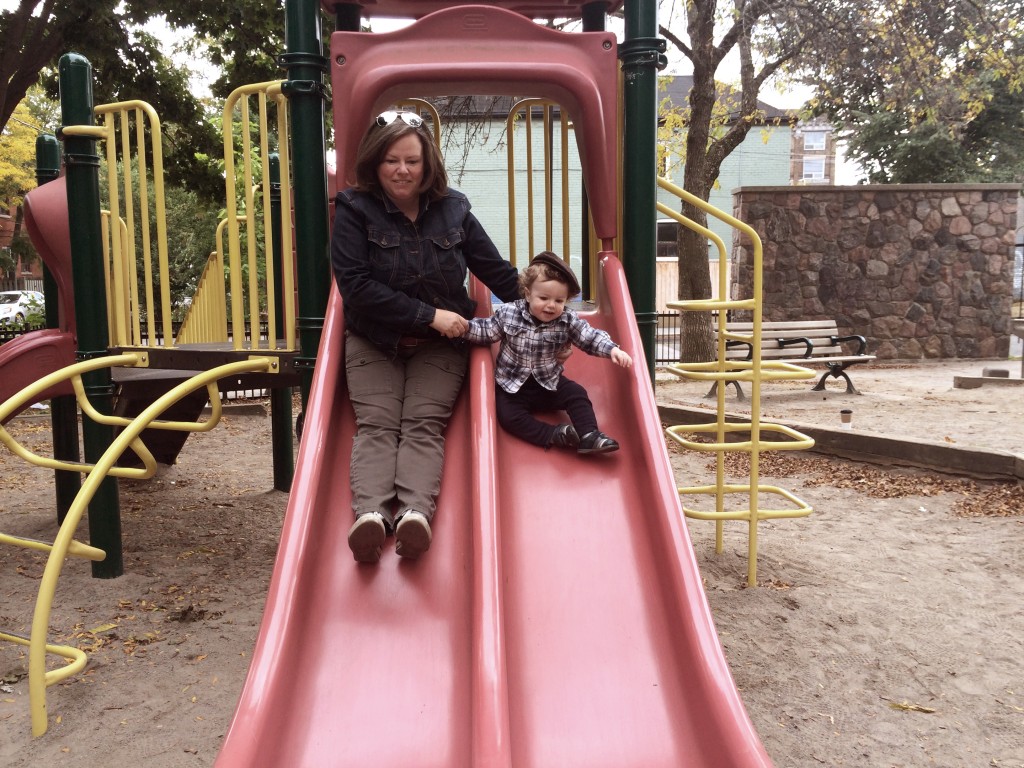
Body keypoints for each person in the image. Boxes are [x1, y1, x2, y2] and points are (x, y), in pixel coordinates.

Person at [332, 110, 522, 564]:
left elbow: (495, 270)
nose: (402, 170)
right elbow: (356, 286)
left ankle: (415, 513)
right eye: (392, 160)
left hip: (440, 346)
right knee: (377, 424)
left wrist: (544, 307)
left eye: (412, 161)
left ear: (427, 164)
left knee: (422, 424)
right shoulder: (355, 210)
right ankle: (372, 517)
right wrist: (428, 315)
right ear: (376, 163)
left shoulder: (453, 209)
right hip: (375, 339)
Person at [461, 251, 632, 455]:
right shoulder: (509, 314)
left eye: (559, 301)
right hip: (512, 387)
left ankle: (589, 435)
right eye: (544, 298)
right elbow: (486, 330)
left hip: (548, 383)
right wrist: (461, 328)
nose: (551, 305)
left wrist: (612, 348)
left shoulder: (567, 320)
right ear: (527, 294)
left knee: (577, 394)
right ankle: (555, 434)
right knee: (508, 417)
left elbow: (589, 336)